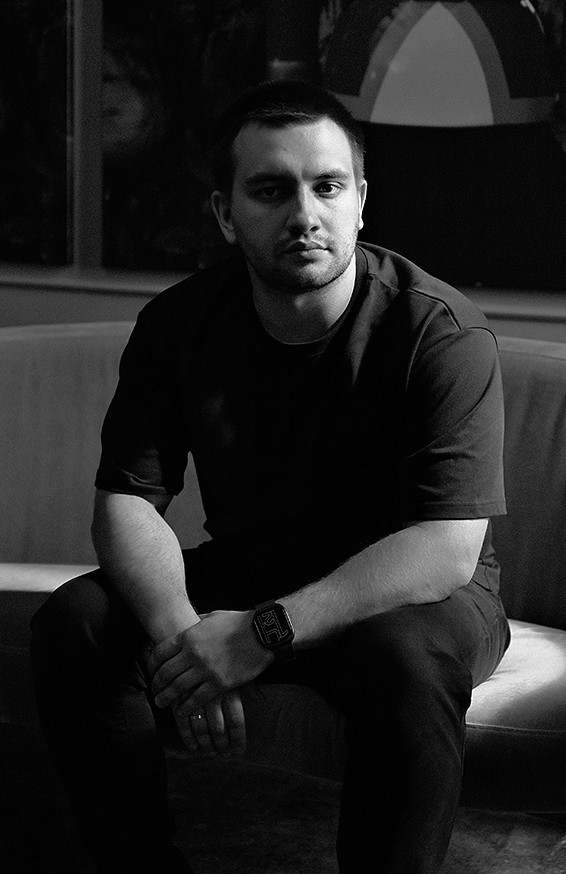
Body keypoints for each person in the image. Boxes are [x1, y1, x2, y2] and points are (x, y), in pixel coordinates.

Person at [31, 79, 510, 874]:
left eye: (328, 186)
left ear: (361, 201)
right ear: (226, 213)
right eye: (271, 190)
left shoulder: (441, 331)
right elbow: (127, 501)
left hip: (416, 594)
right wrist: (185, 639)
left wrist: (259, 634)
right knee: (76, 622)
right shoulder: (179, 324)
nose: (305, 214)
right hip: (257, 564)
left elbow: (445, 547)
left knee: (402, 660)